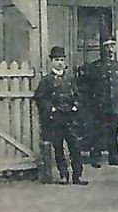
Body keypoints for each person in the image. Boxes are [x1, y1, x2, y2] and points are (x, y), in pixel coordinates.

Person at [33, 45, 86, 185]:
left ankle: (77, 176)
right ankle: (63, 174)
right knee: (58, 147)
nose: (60, 62)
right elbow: (39, 97)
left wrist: (75, 106)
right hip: (56, 118)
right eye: (57, 60)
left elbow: (78, 95)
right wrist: (51, 109)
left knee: (75, 147)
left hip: (70, 117)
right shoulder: (47, 80)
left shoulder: (70, 78)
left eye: (62, 59)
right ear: (51, 62)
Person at [79, 38, 118, 167]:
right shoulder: (95, 67)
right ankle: (95, 157)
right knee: (98, 131)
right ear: (103, 49)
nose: (110, 49)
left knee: (114, 131)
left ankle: (114, 156)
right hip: (100, 104)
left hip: (115, 104)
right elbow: (87, 87)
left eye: (113, 46)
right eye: (107, 46)